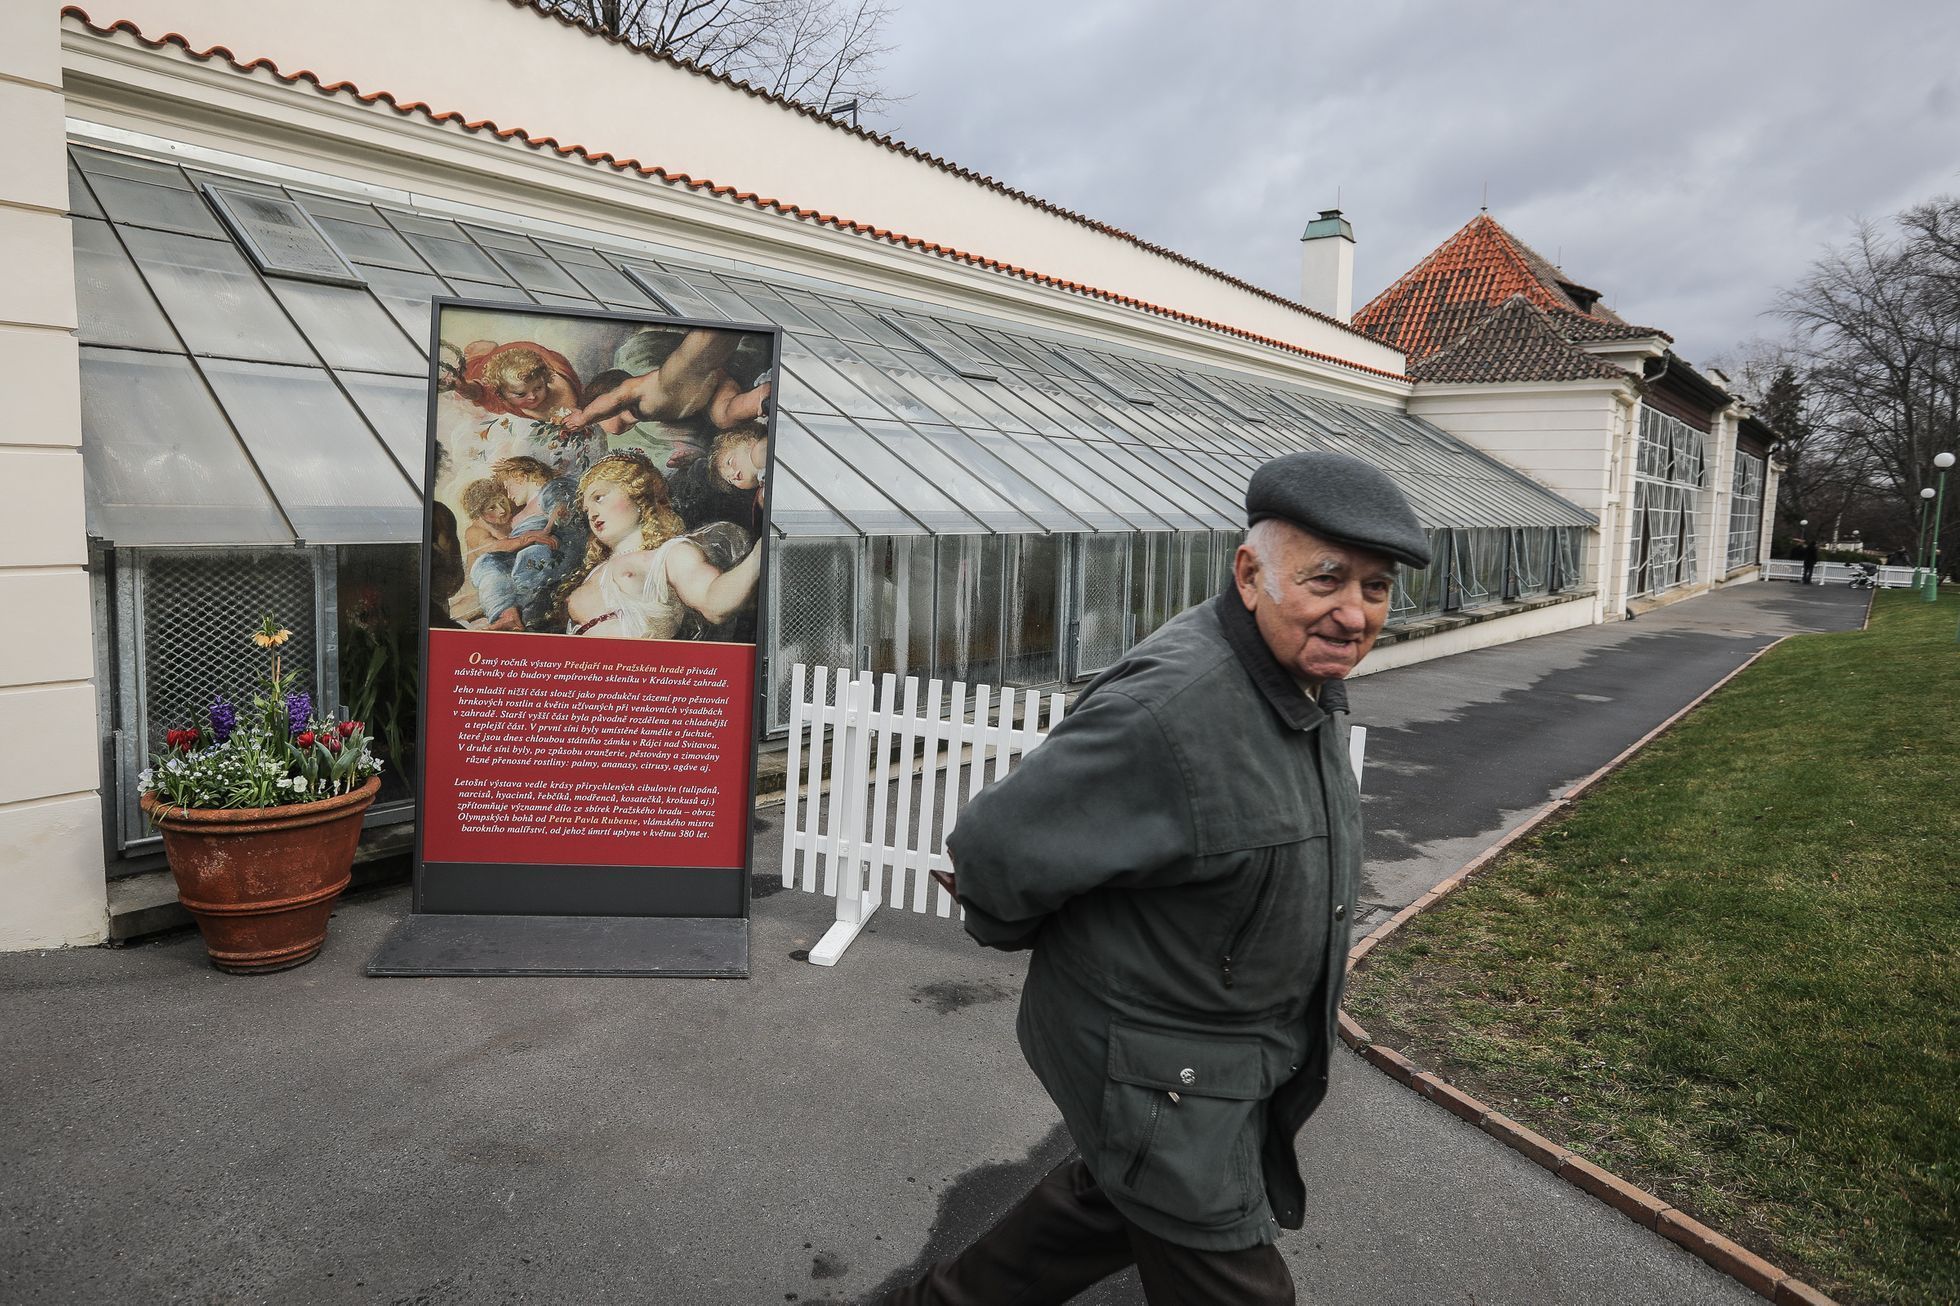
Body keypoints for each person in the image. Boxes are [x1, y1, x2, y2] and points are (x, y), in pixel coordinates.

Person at [886, 451, 1431, 1306]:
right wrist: (1020, 929)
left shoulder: (1298, 679)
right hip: (1163, 1073)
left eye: (1377, 588)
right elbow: (994, 849)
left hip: (1218, 1060)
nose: (1355, 614)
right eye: (1326, 580)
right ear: (1249, 575)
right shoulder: (1173, 711)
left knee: (1108, 1201)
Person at [553, 450, 761, 640]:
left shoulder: (669, 554)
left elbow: (713, 603)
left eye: (599, 498)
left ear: (637, 494)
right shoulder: (593, 572)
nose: (592, 514)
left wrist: (760, 554)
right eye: (587, 510)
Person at [493, 456, 586, 628]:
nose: (509, 495)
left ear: (520, 476)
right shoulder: (521, 513)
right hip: (520, 561)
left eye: (508, 487)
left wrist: (547, 529)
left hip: (550, 555)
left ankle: (526, 614)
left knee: (530, 556)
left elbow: (562, 508)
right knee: (487, 563)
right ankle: (505, 612)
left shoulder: (550, 489)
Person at [458, 478, 554, 632]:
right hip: (489, 581)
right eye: (492, 508)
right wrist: (528, 538)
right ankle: (508, 617)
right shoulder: (475, 531)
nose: (502, 510)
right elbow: (494, 546)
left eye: (502, 501)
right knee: (490, 563)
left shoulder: (514, 513)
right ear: (480, 513)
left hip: (516, 572)